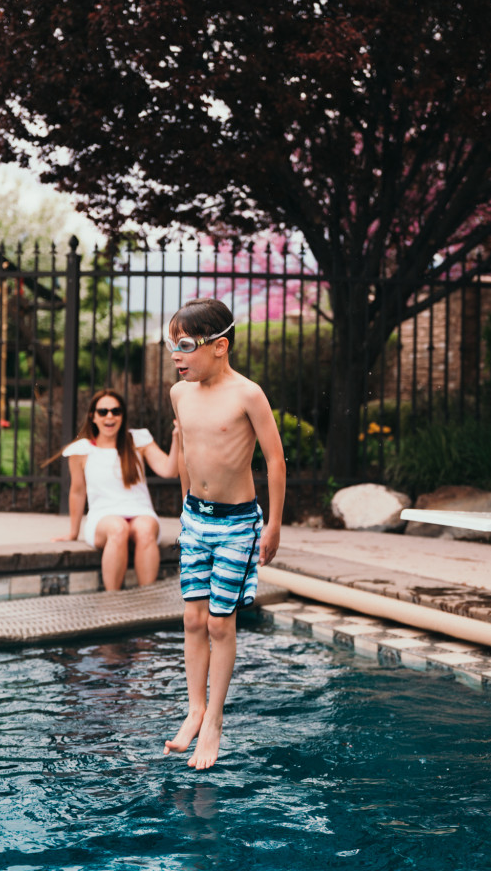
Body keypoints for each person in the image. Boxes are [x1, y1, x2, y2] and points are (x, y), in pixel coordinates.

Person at [163, 298, 286, 770]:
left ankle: (214, 721)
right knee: (193, 621)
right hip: (195, 518)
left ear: (220, 346)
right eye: (171, 344)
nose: (177, 355)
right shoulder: (180, 394)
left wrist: (273, 524)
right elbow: (188, 456)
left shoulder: (247, 395)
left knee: (219, 623)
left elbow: (274, 461)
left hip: (237, 524)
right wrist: (183, 509)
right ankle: (194, 709)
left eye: (186, 345)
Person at [53, 388, 179, 590]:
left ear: (122, 415)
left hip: (141, 512)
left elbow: (169, 470)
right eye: (103, 412)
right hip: (104, 517)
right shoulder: (82, 450)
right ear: (93, 417)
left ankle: (148, 600)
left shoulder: (138, 441)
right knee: (118, 528)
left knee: (146, 530)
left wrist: (176, 437)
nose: (109, 416)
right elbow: (77, 491)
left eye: (116, 411)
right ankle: (112, 600)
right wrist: (72, 533)